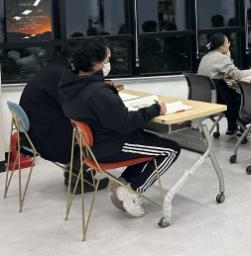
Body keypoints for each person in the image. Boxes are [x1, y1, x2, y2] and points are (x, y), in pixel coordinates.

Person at [60, 38, 180, 218]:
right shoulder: (97, 91)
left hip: (91, 148)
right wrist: (155, 109)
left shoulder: (69, 85)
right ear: (95, 63)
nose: (108, 64)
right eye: (107, 60)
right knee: (171, 150)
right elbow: (125, 123)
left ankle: (123, 182)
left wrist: (107, 90)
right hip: (113, 145)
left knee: (151, 142)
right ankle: (134, 190)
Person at [18, 43, 108, 191]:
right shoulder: (60, 75)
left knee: (85, 125)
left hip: (33, 133)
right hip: (45, 139)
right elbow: (77, 104)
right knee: (93, 132)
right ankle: (79, 181)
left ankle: (75, 174)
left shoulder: (53, 69)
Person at [197, 33, 251, 135]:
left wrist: (228, 57)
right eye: (227, 42)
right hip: (218, 97)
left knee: (233, 93)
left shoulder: (206, 56)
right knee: (242, 98)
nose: (229, 44)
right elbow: (238, 75)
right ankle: (243, 130)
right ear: (221, 46)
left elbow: (227, 73)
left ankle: (232, 128)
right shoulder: (220, 58)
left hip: (207, 96)